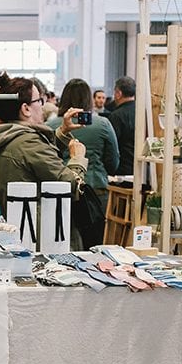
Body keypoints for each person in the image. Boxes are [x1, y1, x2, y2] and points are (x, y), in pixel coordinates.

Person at [0, 72, 87, 213]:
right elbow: (70, 185)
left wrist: (62, 132)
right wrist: (78, 158)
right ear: (26, 109)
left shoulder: (10, 136)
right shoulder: (28, 143)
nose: (43, 106)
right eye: (39, 100)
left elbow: (40, 161)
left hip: (23, 221)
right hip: (42, 224)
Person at [46, 79, 119, 249]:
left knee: (61, 242)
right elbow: (113, 162)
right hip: (95, 190)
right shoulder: (103, 124)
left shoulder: (50, 126)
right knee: (94, 244)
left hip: (61, 189)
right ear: (89, 99)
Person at [107, 76, 136, 176]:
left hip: (122, 170)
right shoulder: (143, 112)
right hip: (142, 169)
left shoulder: (116, 116)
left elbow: (111, 145)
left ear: (119, 93)